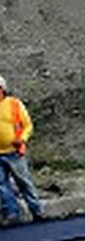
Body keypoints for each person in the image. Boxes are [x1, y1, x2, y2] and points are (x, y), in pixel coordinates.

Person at [0, 75, 47, 224]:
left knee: (24, 182)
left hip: (14, 152)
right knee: (1, 186)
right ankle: (12, 214)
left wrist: (23, 139)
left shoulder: (14, 104)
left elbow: (28, 125)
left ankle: (37, 211)